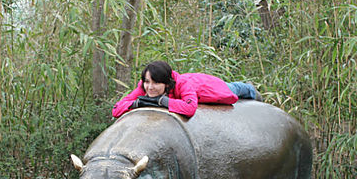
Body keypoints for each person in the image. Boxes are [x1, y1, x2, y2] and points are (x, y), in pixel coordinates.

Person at [111, 60, 259, 118]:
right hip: (193, 81)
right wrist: (136, 103)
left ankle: (252, 89)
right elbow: (116, 109)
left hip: (208, 88)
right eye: (147, 82)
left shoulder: (181, 84)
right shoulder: (144, 88)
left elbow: (189, 108)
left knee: (236, 88)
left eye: (156, 83)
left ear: (167, 84)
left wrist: (162, 101)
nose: (150, 87)